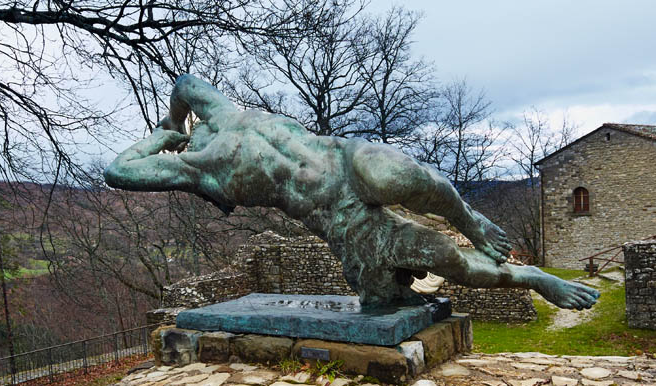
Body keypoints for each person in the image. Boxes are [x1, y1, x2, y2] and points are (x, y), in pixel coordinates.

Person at [105, 74, 599, 310]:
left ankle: (468, 217)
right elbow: (120, 171)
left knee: (401, 179)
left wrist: (167, 127)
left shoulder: (219, 119)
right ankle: (532, 277)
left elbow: (180, 88)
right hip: (343, 219)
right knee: (440, 264)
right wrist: (168, 132)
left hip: (345, 159)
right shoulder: (197, 170)